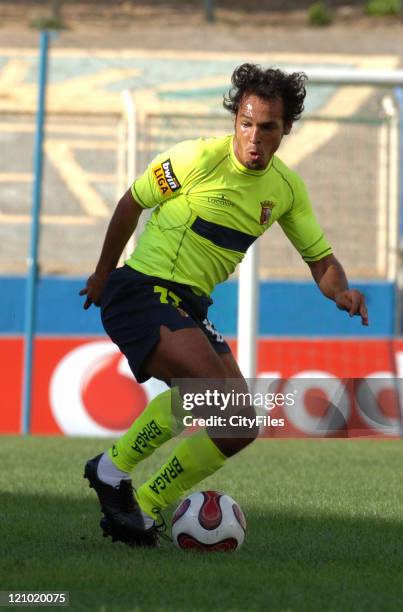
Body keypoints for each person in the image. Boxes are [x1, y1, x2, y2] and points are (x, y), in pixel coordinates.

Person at [80, 63, 368, 547]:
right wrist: (102, 273)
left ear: (286, 130)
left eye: (268, 127)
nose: (255, 137)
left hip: (189, 307)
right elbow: (132, 201)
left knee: (238, 424)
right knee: (210, 390)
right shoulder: (197, 159)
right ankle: (111, 471)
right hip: (142, 290)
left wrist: (341, 290)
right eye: (247, 123)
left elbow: (321, 260)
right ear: (235, 119)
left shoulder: (286, 190)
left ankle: (144, 508)